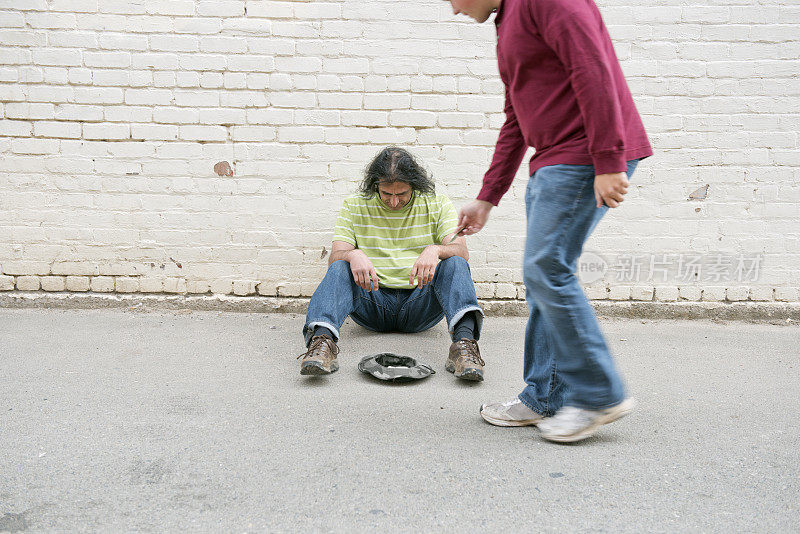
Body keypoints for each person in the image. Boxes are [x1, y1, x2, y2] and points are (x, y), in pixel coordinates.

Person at [447, 0, 653, 441]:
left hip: (583, 155)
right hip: (556, 160)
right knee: (544, 274)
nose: (454, 10)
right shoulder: (509, 20)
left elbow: (592, 69)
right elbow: (516, 118)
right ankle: (545, 396)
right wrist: (488, 196)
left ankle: (599, 394)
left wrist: (608, 159)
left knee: (546, 269)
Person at [298, 146, 486, 381]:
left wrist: (436, 249)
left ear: (415, 186)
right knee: (340, 266)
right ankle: (321, 345)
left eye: (402, 194)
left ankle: (464, 347)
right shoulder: (355, 205)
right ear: (375, 185)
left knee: (456, 262)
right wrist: (352, 254)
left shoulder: (437, 204)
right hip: (371, 300)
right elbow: (335, 256)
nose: (394, 202)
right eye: (386, 194)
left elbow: (461, 251)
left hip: (421, 304)